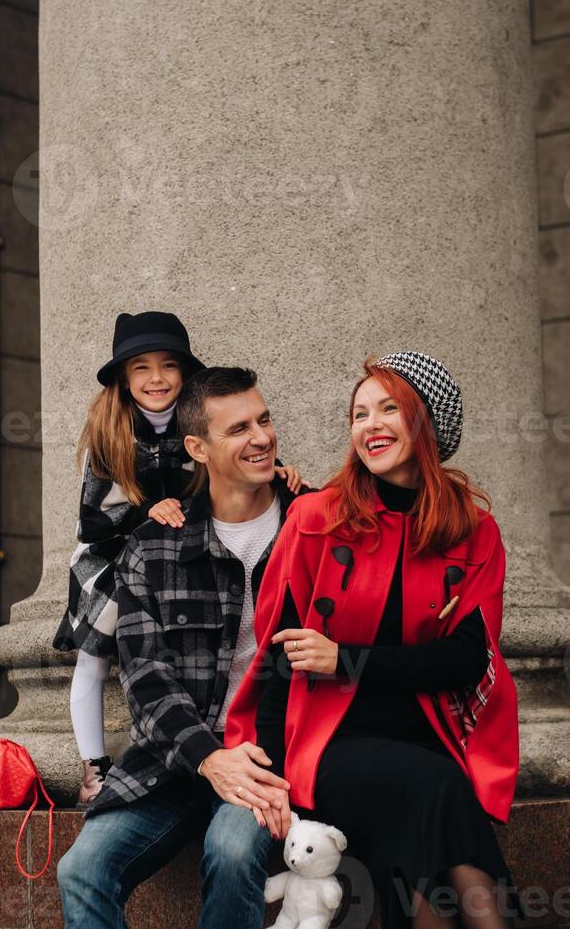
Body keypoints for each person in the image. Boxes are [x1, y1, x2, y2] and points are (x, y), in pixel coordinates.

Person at [225, 351, 523, 929]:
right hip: (328, 738)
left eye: (389, 408)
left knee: (426, 807)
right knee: (435, 788)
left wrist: (345, 659)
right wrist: (279, 778)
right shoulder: (316, 517)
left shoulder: (472, 529)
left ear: (427, 424)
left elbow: (465, 660)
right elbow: (278, 661)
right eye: (359, 413)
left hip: (427, 731)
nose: (370, 425)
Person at [57, 367, 309, 928]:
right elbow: (146, 679)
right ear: (197, 447)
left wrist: (241, 761)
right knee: (81, 869)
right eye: (239, 428)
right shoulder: (155, 546)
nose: (262, 437)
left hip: (267, 759)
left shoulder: (310, 527)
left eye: (264, 420)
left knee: (236, 849)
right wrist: (208, 757)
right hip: (170, 764)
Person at [52, 313, 302, 805]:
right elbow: (94, 519)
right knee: (95, 651)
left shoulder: (200, 423)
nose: (157, 379)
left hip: (178, 549)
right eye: (141, 368)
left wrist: (279, 474)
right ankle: (92, 765)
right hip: (115, 547)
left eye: (168, 365)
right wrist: (148, 509)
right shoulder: (110, 432)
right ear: (125, 378)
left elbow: (233, 476)